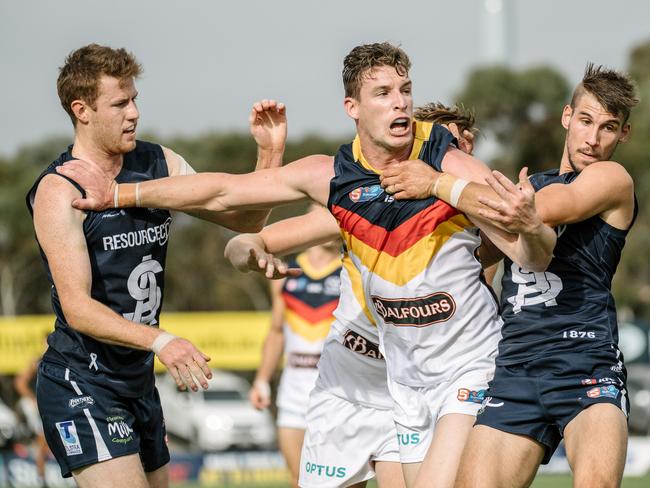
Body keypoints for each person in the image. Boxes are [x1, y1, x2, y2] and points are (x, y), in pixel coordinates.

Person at [57, 42, 556, 488]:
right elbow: (227, 192)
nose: (400, 101)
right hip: (395, 377)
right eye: (383, 93)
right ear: (352, 108)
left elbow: (532, 252)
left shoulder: (448, 167)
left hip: (464, 364)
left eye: (405, 90)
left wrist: (489, 207)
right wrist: (121, 195)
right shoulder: (335, 178)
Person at [26, 44, 283, 488]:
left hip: (138, 383)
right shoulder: (58, 189)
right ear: (81, 110)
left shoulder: (158, 163)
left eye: (135, 99)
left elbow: (243, 217)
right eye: (120, 103)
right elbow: (77, 308)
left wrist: (269, 157)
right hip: (82, 381)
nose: (134, 114)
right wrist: (163, 341)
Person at [380, 63, 638, 488]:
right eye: (586, 121)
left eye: (608, 128)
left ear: (622, 134)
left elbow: (545, 208)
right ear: (567, 117)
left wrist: (436, 181)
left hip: (585, 364)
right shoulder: (528, 183)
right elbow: (474, 261)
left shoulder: (612, 179)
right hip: (515, 368)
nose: (593, 139)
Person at [226, 102, 482, 488]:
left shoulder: (480, 219)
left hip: (413, 386)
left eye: (450, 146)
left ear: (468, 147)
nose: (437, 156)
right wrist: (251, 248)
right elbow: (251, 237)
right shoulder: (364, 207)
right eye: (431, 145)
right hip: (350, 376)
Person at [249, 239, 342, 488]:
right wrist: (261, 380)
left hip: (336, 389)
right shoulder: (285, 272)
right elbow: (277, 330)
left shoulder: (349, 270)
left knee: (338, 478)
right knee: (298, 478)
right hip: (294, 390)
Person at [14, 349, 51, 488]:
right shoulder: (37, 361)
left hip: (53, 406)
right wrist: (33, 399)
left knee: (46, 442)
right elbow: (20, 382)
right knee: (42, 441)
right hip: (40, 408)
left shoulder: (59, 358)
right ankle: (41, 479)